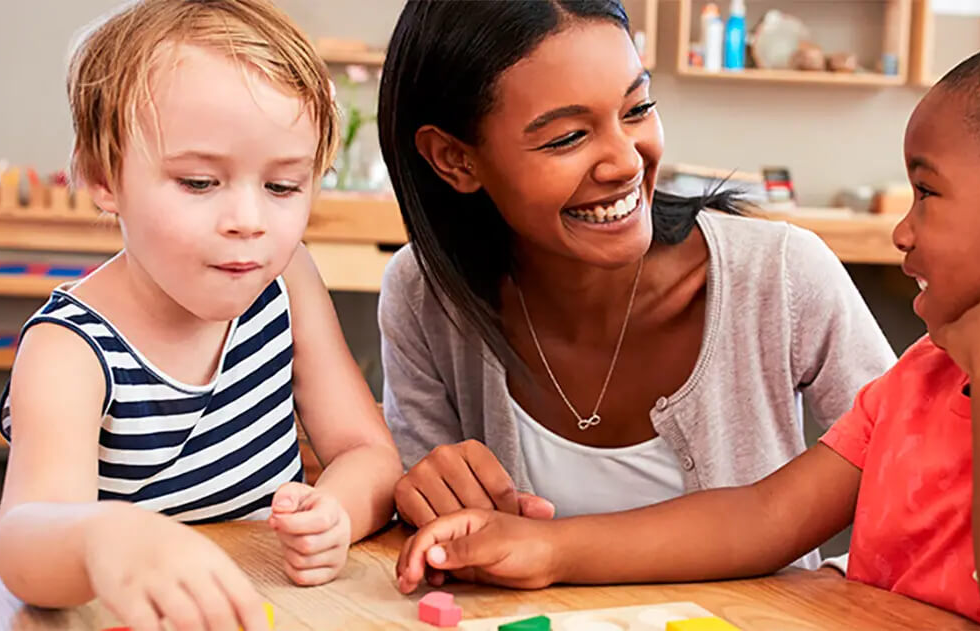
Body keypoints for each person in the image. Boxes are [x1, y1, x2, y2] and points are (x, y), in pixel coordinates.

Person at [396, 26, 980, 629]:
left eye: (926, 193)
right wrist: (548, 550)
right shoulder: (924, 374)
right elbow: (764, 514)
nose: (902, 230)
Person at [376, 0, 894, 574]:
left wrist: (824, 594)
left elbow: (924, 480)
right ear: (455, 159)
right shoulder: (425, 297)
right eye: (567, 137)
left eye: (638, 108)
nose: (625, 162)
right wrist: (416, 495)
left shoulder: (781, 275)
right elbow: (428, 537)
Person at [0, 2, 401, 630]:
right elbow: (22, 546)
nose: (249, 221)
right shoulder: (70, 349)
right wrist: (106, 539)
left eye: (283, 187)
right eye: (199, 183)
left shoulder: (288, 282)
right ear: (104, 177)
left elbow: (368, 452)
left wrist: (336, 513)